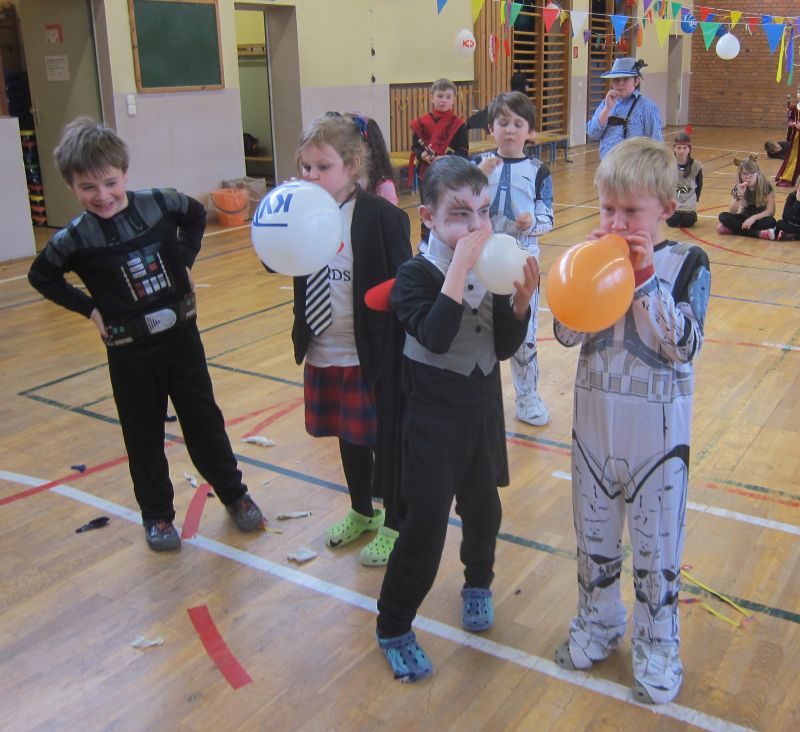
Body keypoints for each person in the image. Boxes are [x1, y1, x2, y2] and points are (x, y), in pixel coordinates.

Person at [27, 117, 264, 552]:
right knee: (143, 436)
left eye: (110, 183)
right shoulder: (74, 239)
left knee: (205, 424)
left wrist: (185, 261)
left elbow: (196, 216)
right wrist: (89, 309)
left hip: (182, 342)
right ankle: (157, 516)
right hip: (130, 354)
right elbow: (42, 276)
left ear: (124, 172)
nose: (102, 195)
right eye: (87, 188)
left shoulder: (160, 202)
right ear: (71, 186)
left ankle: (234, 494)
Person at [552, 137, 711, 705]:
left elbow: (684, 345)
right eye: (607, 209)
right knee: (593, 542)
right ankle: (598, 623)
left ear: (665, 208)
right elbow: (566, 333)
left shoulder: (688, 263)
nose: (617, 223)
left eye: (631, 211)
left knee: (656, 553)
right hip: (594, 428)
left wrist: (644, 278)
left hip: (658, 437)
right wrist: (575, 279)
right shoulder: (590, 257)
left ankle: (657, 645)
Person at [375, 156, 537, 682]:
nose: (476, 226)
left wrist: (520, 304)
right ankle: (394, 623)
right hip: (432, 424)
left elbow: (503, 347)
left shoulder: (493, 268)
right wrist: (461, 268)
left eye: (483, 212)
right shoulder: (414, 275)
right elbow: (437, 335)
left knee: (485, 512)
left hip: (481, 413)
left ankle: (477, 584)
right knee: (424, 529)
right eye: (460, 215)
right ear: (428, 217)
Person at [292, 113, 412, 566]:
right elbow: (276, 260)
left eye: (323, 167)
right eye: (306, 167)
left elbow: (403, 285)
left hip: (371, 354)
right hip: (324, 347)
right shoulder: (299, 214)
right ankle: (362, 510)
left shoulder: (382, 217)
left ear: (353, 165)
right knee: (349, 436)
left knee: (385, 441)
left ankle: (396, 519)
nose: (312, 176)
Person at [475, 91, 554, 426]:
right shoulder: (477, 166)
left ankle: (528, 397)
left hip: (522, 264)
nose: (510, 130)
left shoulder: (538, 171)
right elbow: (460, 203)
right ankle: (479, 396)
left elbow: (548, 217)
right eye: (503, 122)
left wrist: (531, 223)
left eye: (518, 124)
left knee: (524, 334)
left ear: (530, 132)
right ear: (490, 128)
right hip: (481, 262)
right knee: (478, 331)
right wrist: (476, 177)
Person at [409, 78, 469, 242]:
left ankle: (447, 242)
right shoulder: (422, 123)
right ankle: (426, 243)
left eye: (448, 97)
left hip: (449, 176)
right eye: (440, 96)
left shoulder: (458, 125)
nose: (444, 100)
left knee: (447, 210)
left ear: (453, 100)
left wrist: (446, 158)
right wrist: (423, 155)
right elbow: (415, 147)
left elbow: (463, 151)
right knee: (427, 210)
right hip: (426, 175)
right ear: (432, 98)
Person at [587, 58, 663, 160]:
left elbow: (656, 144)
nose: (620, 83)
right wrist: (607, 109)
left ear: (636, 81)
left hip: (633, 166)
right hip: (608, 165)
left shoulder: (647, 107)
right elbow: (592, 134)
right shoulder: (605, 104)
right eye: (616, 79)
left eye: (625, 79)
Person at [345, 113, 399, 205]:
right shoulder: (347, 179)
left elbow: (390, 213)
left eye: (349, 144)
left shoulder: (384, 186)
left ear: (365, 146)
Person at [717, 155, 776, 237]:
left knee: (771, 222)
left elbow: (771, 211)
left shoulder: (766, 186)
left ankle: (733, 229)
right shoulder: (738, 186)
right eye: (745, 174)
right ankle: (758, 233)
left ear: (757, 173)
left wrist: (753, 218)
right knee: (723, 216)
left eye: (752, 173)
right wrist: (739, 196)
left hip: (760, 218)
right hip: (744, 217)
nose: (748, 176)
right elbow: (732, 211)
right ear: (740, 175)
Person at [466, 70, 529, 134]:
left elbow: (479, 118)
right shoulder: (523, 106)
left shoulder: (502, 101)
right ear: (525, 87)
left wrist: (468, 124)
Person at [666, 130, 703, 229]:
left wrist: (696, 199)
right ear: (674, 148)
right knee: (673, 221)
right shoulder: (668, 164)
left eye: (684, 148)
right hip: (674, 199)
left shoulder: (696, 165)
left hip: (688, 199)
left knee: (688, 221)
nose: (681, 151)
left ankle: (689, 213)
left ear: (689, 149)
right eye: (679, 148)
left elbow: (699, 183)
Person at [774, 87, 800, 187]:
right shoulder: (795, 107)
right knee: (793, 157)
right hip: (796, 137)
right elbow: (791, 118)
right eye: (798, 91)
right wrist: (792, 123)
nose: (799, 94)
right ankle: (788, 178)